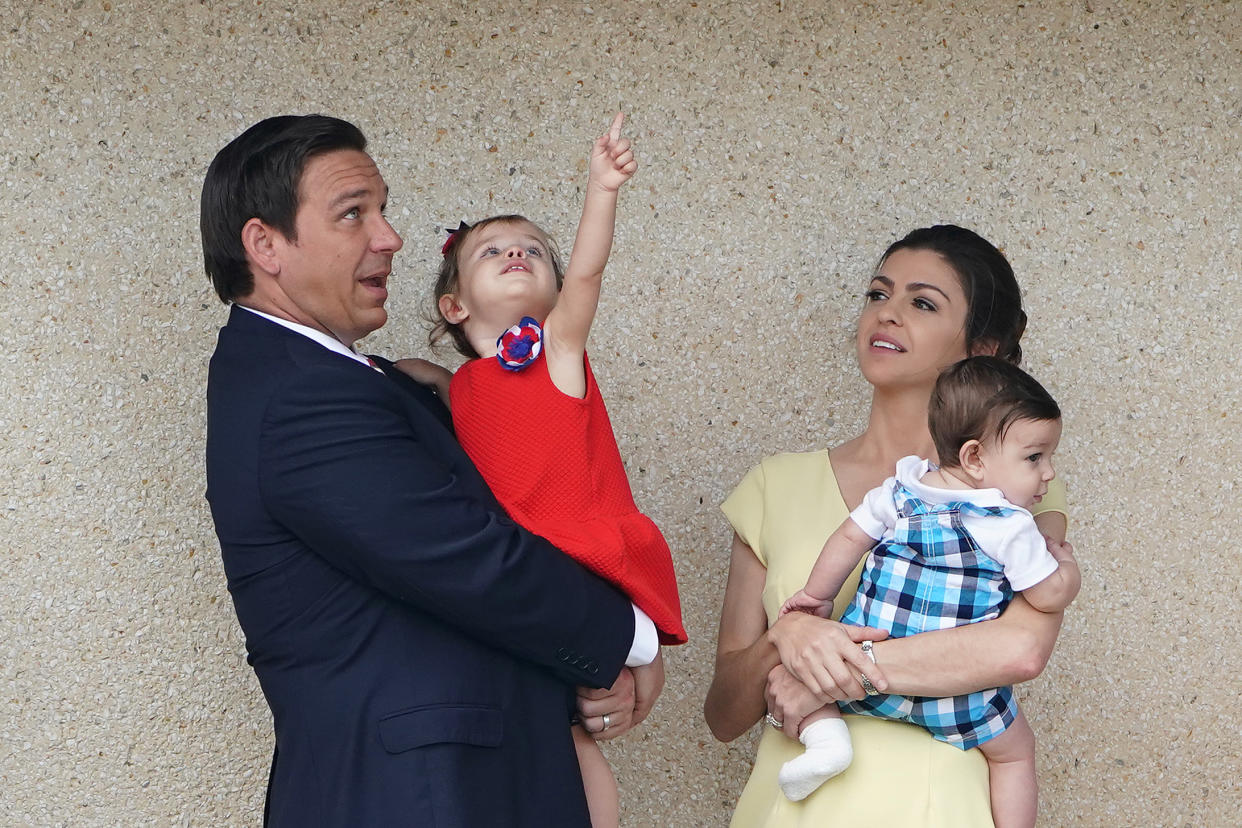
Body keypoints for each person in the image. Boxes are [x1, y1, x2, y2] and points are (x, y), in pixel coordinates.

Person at [200, 114, 662, 827]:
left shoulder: (360, 379)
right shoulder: (295, 394)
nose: (389, 237)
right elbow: (464, 556)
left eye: (383, 210)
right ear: (265, 244)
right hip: (417, 798)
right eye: (354, 214)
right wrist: (625, 638)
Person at [704, 224, 1075, 826]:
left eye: (922, 302)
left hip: (936, 805)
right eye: (879, 294)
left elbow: (1021, 649)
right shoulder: (776, 484)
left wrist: (822, 680)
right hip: (788, 807)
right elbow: (724, 715)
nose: (888, 313)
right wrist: (788, 638)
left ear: (980, 350)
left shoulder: (1020, 490)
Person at [396, 113, 685, 828]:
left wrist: (603, 188)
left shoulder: (557, 353)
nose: (517, 253)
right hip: (529, 583)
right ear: (453, 304)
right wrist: (406, 374)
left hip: (584, 561)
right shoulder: (461, 386)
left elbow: (588, 268)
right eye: (492, 250)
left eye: (533, 250)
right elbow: (446, 392)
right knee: (562, 724)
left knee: (583, 728)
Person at [775, 356, 1080, 826]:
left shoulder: (899, 492)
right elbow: (1047, 597)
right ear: (975, 458)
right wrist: (1065, 566)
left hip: (863, 670)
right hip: (958, 693)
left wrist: (817, 596)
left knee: (808, 693)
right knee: (1016, 755)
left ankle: (827, 741)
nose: (1049, 473)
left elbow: (848, 538)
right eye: (1035, 457)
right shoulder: (1009, 526)